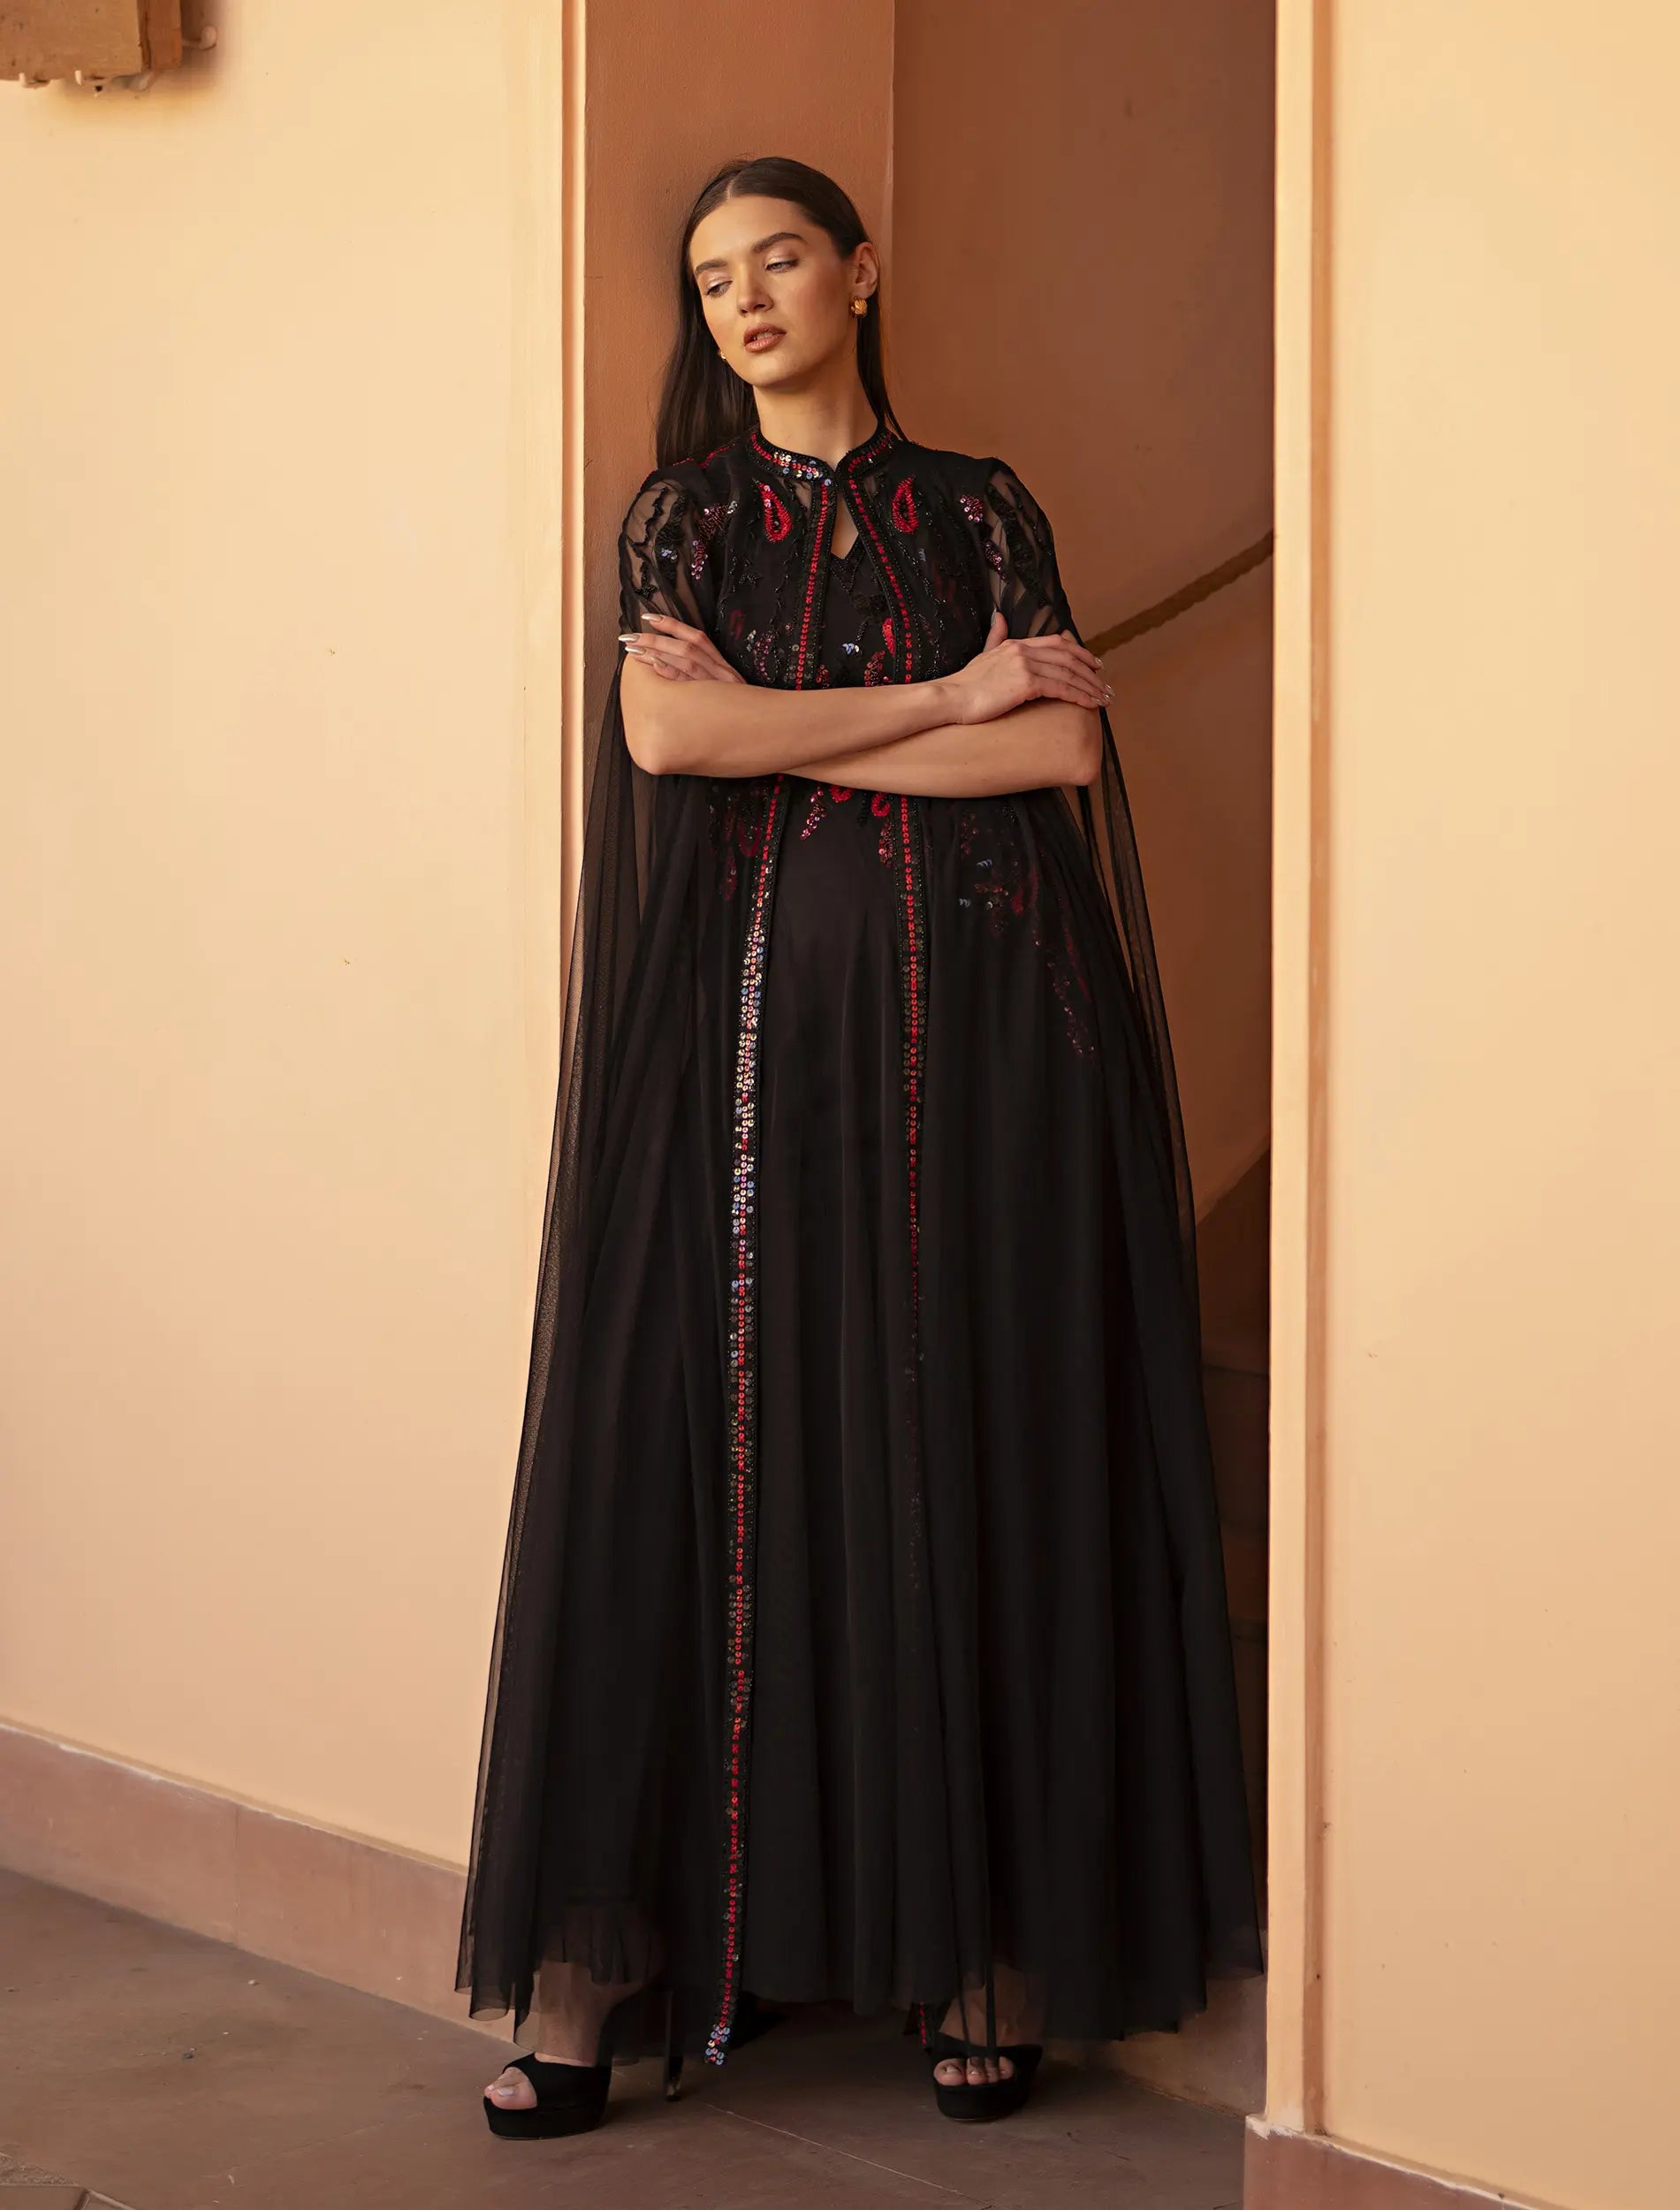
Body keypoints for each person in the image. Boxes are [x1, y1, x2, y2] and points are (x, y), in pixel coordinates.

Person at [461, 154, 1262, 2142]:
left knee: (961, 1441)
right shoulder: (686, 516)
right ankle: (610, 1975)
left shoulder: (980, 506)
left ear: (861, 270)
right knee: (699, 1451)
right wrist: (943, 694)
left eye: (781, 259)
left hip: (990, 1063)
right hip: (742, 1067)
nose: (745, 299)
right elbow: (669, 742)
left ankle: (974, 1957)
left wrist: (812, 717)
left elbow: (1058, 749)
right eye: (711, 276)